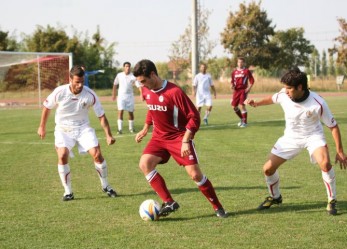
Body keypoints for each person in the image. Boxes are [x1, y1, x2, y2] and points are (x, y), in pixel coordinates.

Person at [245, 67, 347, 215]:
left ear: (300, 87)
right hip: (290, 138)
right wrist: (257, 103)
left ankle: (332, 200)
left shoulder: (318, 102)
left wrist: (340, 152)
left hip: (313, 136)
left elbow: (333, 126)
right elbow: (273, 98)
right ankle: (276, 197)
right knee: (267, 169)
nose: (286, 91)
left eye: (289, 88)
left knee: (325, 164)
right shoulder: (284, 94)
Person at [133, 59, 227, 218]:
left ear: (153, 74)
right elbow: (152, 107)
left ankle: (218, 207)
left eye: (143, 81)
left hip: (178, 137)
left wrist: (185, 141)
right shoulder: (145, 90)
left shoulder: (174, 92)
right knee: (145, 164)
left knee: (195, 175)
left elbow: (194, 117)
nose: (142, 85)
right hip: (159, 137)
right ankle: (169, 201)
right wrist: (145, 128)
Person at [37, 65, 117, 201]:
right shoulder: (60, 92)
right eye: (77, 82)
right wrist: (42, 127)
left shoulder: (90, 94)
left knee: (97, 154)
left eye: (82, 81)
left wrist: (108, 134)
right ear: (70, 79)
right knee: (62, 155)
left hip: (83, 128)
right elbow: (46, 107)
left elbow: (101, 116)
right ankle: (68, 192)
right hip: (63, 129)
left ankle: (106, 185)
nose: (80, 85)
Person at [112, 62, 143, 134]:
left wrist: (141, 94)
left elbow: (139, 86)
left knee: (131, 113)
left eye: (129, 66)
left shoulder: (133, 76)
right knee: (120, 111)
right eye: (126, 66)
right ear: (124, 67)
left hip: (130, 96)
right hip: (121, 96)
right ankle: (120, 129)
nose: (127, 68)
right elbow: (115, 84)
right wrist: (114, 94)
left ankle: (131, 128)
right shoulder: (119, 75)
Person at [231, 57, 254, 128]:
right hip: (236, 91)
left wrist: (249, 88)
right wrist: (232, 86)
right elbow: (232, 81)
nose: (240, 63)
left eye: (241, 62)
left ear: (244, 63)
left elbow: (252, 81)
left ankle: (245, 122)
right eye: (239, 62)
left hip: (243, 90)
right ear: (237, 63)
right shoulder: (234, 72)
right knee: (234, 107)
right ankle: (242, 119)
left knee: (242, 106)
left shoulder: (246, 71)